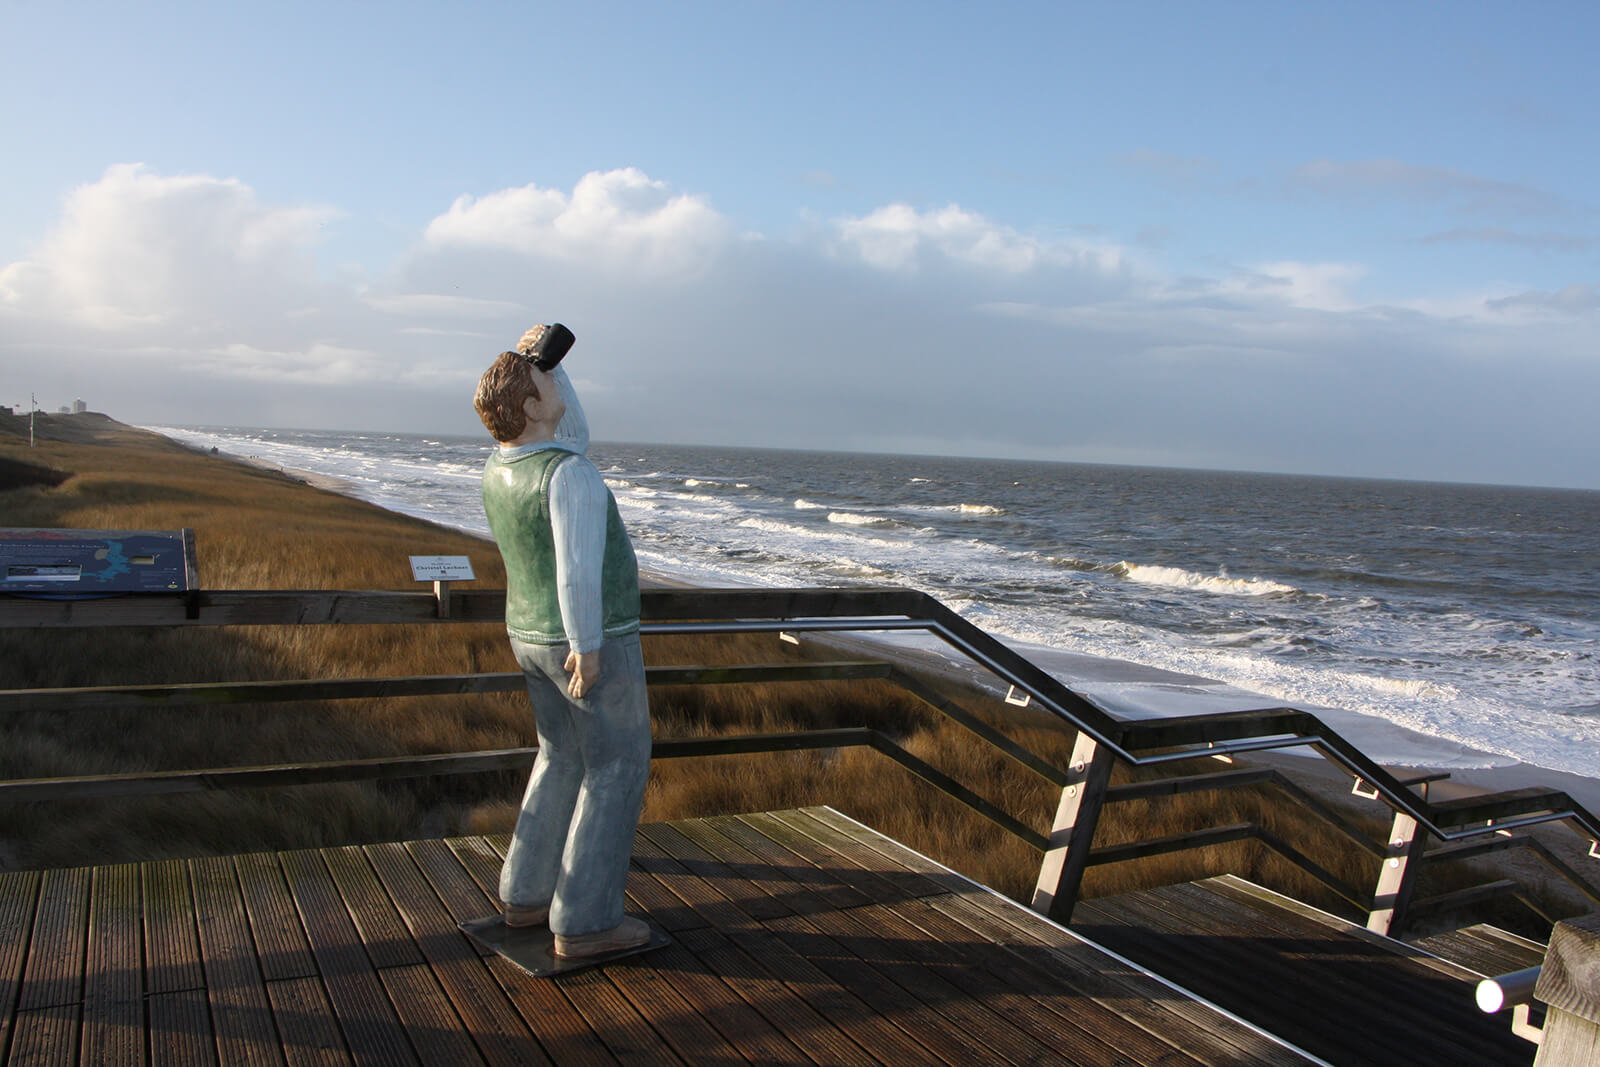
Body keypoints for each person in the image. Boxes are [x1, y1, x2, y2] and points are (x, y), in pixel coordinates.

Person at [473, 325, 652, 959]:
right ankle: (585, 919)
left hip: (527, 634)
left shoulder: (501, 467)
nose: (558, 387)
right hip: (586, 640)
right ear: (528, 406)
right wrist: (589, 644)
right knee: (616, 768)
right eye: (548, 382)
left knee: (559, 758)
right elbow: (575, 568)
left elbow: (567, 430)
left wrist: (539, 366)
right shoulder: (571, 477)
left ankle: (524, 893)